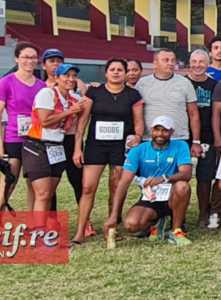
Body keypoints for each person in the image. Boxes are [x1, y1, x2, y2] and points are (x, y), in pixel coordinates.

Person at [71, 59, 144, 244]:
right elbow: (82, 122)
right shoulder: (94, 92)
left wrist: (138, 135)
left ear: (125, 73)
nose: (116, 72)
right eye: (112, 69)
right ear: (106, 73)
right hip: (96, 146)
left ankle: (112, 227)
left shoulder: (132, 95)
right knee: (88, 187)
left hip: (120, 147)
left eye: (120, 70)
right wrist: (77, 148)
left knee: (116, 188)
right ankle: (80, 232)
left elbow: (138, 121)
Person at [104, 116, 193, 246]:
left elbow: (186, 174)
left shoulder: (180, 145)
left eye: (165, 130)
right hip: (150, 198)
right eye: (157, 130)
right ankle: (157, 222)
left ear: (171, 132)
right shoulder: (138, 150)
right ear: (151, 131)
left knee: (182, 186)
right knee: (131, 225)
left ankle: (176, 231)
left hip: (173, 196)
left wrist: (163, 178)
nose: (160, 134)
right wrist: (114, 215)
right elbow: (123, 182)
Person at [24, 63, 87, 225]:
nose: (71, 79)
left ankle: (47, 229)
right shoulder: (47, 93)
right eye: (66, 75)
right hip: (38, 145)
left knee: (49, 193)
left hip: (57, 147)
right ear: (57, 77)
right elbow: (44, 121)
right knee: (43, 194)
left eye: (74, 76)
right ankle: (39, 232)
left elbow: (88, 103)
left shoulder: (75, 99)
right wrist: (69, 112)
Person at [137, 49, 202, 196]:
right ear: (155, 63)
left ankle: (176, 213)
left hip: (178, 138)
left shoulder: (185, 83)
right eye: (165, 60)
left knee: (178, 180)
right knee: (150, 178)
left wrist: (196, 141)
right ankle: (152, 208)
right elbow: (137, 111)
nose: (171, 63)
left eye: (173, 60)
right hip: (150, 138)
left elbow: (193, 114)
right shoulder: (142, 84)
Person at [0, 42, 46, 213]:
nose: (30, 61)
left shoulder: (42, 86)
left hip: (36, 140)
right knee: (9, 182)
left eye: (33, 57)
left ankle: (33, 224)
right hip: (14, 138)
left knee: (34, 185)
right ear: (17, 58)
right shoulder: (6, 82)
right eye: (25, 57)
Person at [41, 48, 87, 215]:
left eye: (58, 60)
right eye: (51, 61)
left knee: (78, 180)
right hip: (50, 139)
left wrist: (77, 146)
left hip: (71, 138)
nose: (55, 64)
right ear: (44, 64)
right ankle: (51, 220)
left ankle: (85, 220)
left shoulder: (76, 84)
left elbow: (85, 107)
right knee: (50, 183)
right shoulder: (43, 88)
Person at [185, 49, 220, 229]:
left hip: (207, 136)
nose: (197, 65)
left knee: (205, 178)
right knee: (181, 176)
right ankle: (177, 214)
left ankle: (202, 214)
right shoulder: (182, 83)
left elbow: (217, 113)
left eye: (201, 62)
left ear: (208, 64)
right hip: (183, 137)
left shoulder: (214, 85)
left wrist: (217, 137)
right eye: (194, 61)